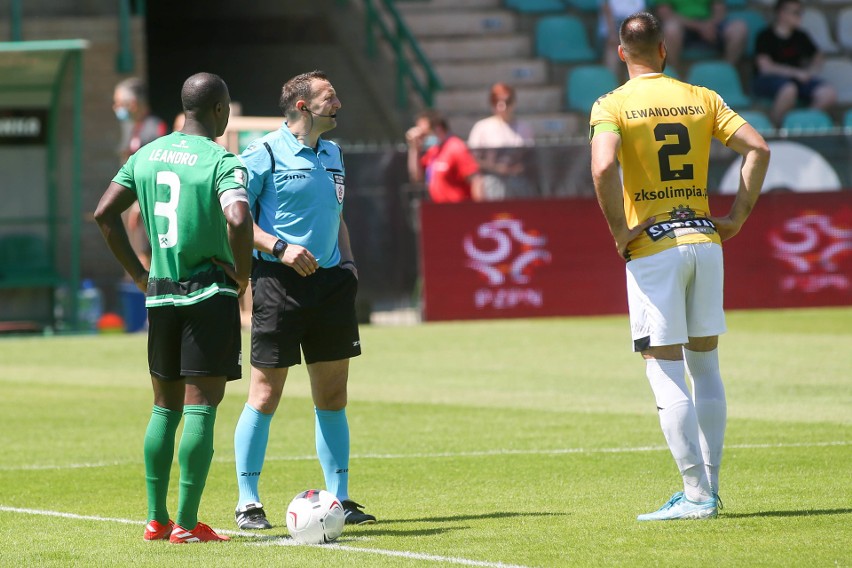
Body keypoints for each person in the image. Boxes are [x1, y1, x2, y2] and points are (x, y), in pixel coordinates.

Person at [589, 12, 770, 521]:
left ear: (622, 53)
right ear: (664, 49)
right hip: (704, 240)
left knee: (663, 368)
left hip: (653, 247)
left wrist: (619, 232)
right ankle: (710, 488)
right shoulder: (701, 96)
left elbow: (603, 166)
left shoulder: (611, 104)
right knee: (706, 366)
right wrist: (735, 216)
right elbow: (757, 147)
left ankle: (694, 495)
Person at [95, 72, 253, 543]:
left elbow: (105, 213)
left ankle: (155, 519)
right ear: (221, 111)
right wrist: (242, 276)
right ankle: (186, 523)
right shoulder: (222, 161)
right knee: (201, 405)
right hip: (207, 293)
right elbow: (239, 216)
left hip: (161, 294)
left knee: (164, 408)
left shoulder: (145, 153)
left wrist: (140, 276)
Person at [232, 70, 376, 530]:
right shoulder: (262, 153)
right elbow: (235, 222)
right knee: (265, 392)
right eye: (328, 96)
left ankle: (341, 498)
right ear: (301, 106)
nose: (338, 102)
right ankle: (248, 502)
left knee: (333, 395)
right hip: (278, 284)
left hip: (331, 287)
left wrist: (349, 264)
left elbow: (337, 215)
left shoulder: (333, 153)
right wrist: (279, 248)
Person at [113, 78, 169, 271]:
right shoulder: (133, 128)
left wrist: (139, 203)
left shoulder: (154, 128)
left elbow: (158, 168)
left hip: (151, 205)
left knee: (150, 258)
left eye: (119, 104)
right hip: (138, 205)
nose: (116, 109)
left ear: (133, 104)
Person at [753, 0, 837, 127]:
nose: (799, 16)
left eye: (800, 12)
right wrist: (795, 73)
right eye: (795, 12)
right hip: (769, 80)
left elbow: (818, 55)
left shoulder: (801, 36)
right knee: (788, 89)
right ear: (782, 13)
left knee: (827, 93)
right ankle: (776, 129)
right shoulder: (765, 36)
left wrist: (811, 71)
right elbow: (765, 68)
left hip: (797, 80)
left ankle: (800, 123)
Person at [467, 82, 536, 200]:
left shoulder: (524, 128)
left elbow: (531, 156)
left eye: (507, 102)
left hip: (518, 182)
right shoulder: (482, 127)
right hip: (491, 182)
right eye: (496, 102)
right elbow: (472, 158)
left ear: (513, 103)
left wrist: (518, 167)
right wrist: (496, 168)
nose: (502, 106)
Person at [406, 109, 484, 203]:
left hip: (458, 211)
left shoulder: (455, 147)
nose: (424, 137)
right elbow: (417, 177)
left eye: (425, 133)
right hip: (441, 211)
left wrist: (478, 211)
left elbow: (476, 179)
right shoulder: (434, 151)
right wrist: (414, 148)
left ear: (437, 128)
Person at [653, 0, 747, 75]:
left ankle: (724, 73)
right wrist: (700, 27)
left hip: (710, 25)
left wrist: (709, 25)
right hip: (682, 25)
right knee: (670, 29)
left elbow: (719, 9)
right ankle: (676, 76)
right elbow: (665, 14)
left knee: (739, 28)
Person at [599, 0, 648, 79]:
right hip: (611, 37)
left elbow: (642, 19)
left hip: (633, 36)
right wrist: (613, 35)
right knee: (612, 50)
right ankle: (610, 84)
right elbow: (607, 12)